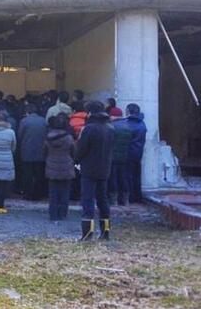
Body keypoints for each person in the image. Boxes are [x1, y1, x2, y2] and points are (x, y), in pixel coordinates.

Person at [74, 101, 115, 241]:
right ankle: (105, 232)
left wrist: (76, 160)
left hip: (89, 168)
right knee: (103, 200)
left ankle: (87, 233)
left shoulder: (89, 128)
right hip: (105, 168)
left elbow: (81, 149)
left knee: (88, 201)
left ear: (90, 112)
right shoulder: (110, 128)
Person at [44, 113, 75, 221]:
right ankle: (63, 213)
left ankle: (53, 214)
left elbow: (44, 151)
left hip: (52, 165)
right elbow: (73, 152)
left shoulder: (48, 137)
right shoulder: (69, 138)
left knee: (53, 192)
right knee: (65, 191)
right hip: (66, 165)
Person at [118, 103, 147, 203]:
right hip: (138, 152)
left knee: (127, 175)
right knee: (136, 175)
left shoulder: (128, 124)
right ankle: (137, 197)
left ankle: (130, 197)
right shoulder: (142, 123)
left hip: (128, 152)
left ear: (128, 111)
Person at [18, 104, 47, 201]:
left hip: (27, 152)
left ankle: (28, 193)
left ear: (27, 112)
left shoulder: (24, 121)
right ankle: (38, 193)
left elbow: (20, 136)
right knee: (39, 174)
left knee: (27, 174)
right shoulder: (43, 120)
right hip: (40, 151)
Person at [109, 111, 134, 206]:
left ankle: (114, 200)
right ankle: (125, 200)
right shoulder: (128, 126)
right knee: (123, 177)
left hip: (113, 156)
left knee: (113, 178)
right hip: (125, 156)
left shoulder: (112, 127)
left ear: (113, 116)